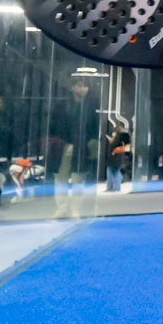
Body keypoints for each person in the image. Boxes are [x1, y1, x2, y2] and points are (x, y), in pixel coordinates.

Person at [50, 77, 100, 218]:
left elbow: (93, 128)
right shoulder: (63, 105)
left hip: (81, 147)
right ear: (72, 87)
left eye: (85, 86)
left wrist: (89, 144)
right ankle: (62, 208)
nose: (83, 89)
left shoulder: (91, 107)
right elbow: (56, 125)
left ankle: (74, 209)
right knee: (61, 178)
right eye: (79, 85)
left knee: (78, 179)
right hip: (64, 145)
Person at [106, 122, 131, 193]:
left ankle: (114, 188)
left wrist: (112, 141)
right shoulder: (123, 136)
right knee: (113, 171)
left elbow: (117, 146)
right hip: (117, 157)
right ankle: (112, 187)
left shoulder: (120, 136)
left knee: (115, 172)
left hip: (116, 157)